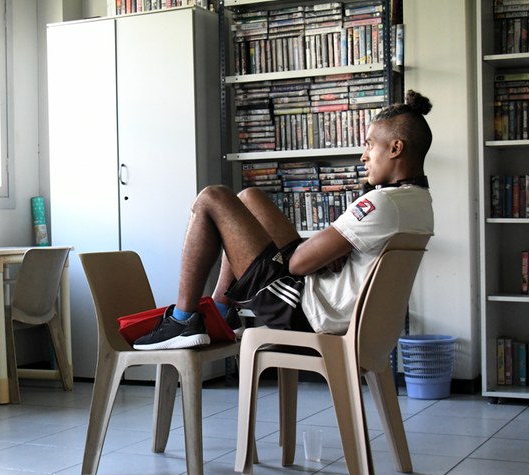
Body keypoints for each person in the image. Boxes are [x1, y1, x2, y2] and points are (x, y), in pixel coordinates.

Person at [133, 90, 435, 350]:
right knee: (249, 198)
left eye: (369, 144)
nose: (363, 156)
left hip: (304, 310)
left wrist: (318, 254)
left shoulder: (381, 203)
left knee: (211, 198)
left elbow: (297, 265)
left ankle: (183, 320)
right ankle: (222, 310)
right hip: (328, 303)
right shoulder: (419, 202)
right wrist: (326, 251)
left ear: (395, 148)